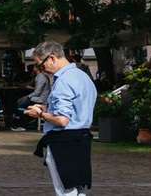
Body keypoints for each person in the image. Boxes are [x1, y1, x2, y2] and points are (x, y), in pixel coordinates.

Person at [25, 42, 95, 196]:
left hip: (63, 141)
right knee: (79, 189)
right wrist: (46, 109)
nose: (42, 70)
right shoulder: (83, 77)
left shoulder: (63, 81)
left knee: (65, 190)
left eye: (41, 65)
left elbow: (62, 120)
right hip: (82, 138)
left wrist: (40, 114)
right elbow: (76, 109)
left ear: (52, 58)